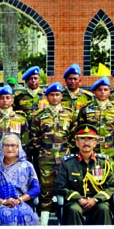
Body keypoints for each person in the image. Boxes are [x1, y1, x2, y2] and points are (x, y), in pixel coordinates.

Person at [55, 124, 114, 225]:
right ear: (77, 143)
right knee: (74, 209)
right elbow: (61, 186)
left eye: (90, 139)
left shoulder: (103, 162)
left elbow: (112, 186)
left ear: (95, 143)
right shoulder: (68, 163)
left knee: (104, 209)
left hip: (97, 201)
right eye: (82, 139)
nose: (86, 143)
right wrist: (79, 199)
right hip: (75, 202)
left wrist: (96, 199)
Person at [29, 82, 76, 215]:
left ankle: (68, 220)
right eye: (52, 95)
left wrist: (69, 151)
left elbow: (74, 136)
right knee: (46, 191)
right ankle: (44, 222)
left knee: (67, 188)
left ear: (62, 96)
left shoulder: (70, 114)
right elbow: (35, 136)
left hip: (65, 156)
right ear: (46, 97)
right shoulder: (39, 115)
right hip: (46, 157)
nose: (55, 98)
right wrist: (43, 151)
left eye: (57, 95)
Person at [0, 134, 41, 226]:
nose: (10, 148)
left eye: (13, 145)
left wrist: (19, 200)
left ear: (18, 148)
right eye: (6, 145)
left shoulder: (26, 166)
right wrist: (3, 202)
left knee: (26, 215)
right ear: (2, 147)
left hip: (20, 203)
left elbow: (36, 189)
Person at [77, 76, 114, 173]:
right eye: (99, 90)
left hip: (110, 149)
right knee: (90, 175)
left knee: (110, 176)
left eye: (105, 89)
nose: (103, 92)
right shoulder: (86, 109)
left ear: (109, 92)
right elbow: (80, 128)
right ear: (94, 92)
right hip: (91, 148)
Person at [0, 85, 29, 165]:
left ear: (12, 100)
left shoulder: (20, 118)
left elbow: (25, 140)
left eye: (8, 98)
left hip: (16, 158)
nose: (5, 100)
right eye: (2, 98)